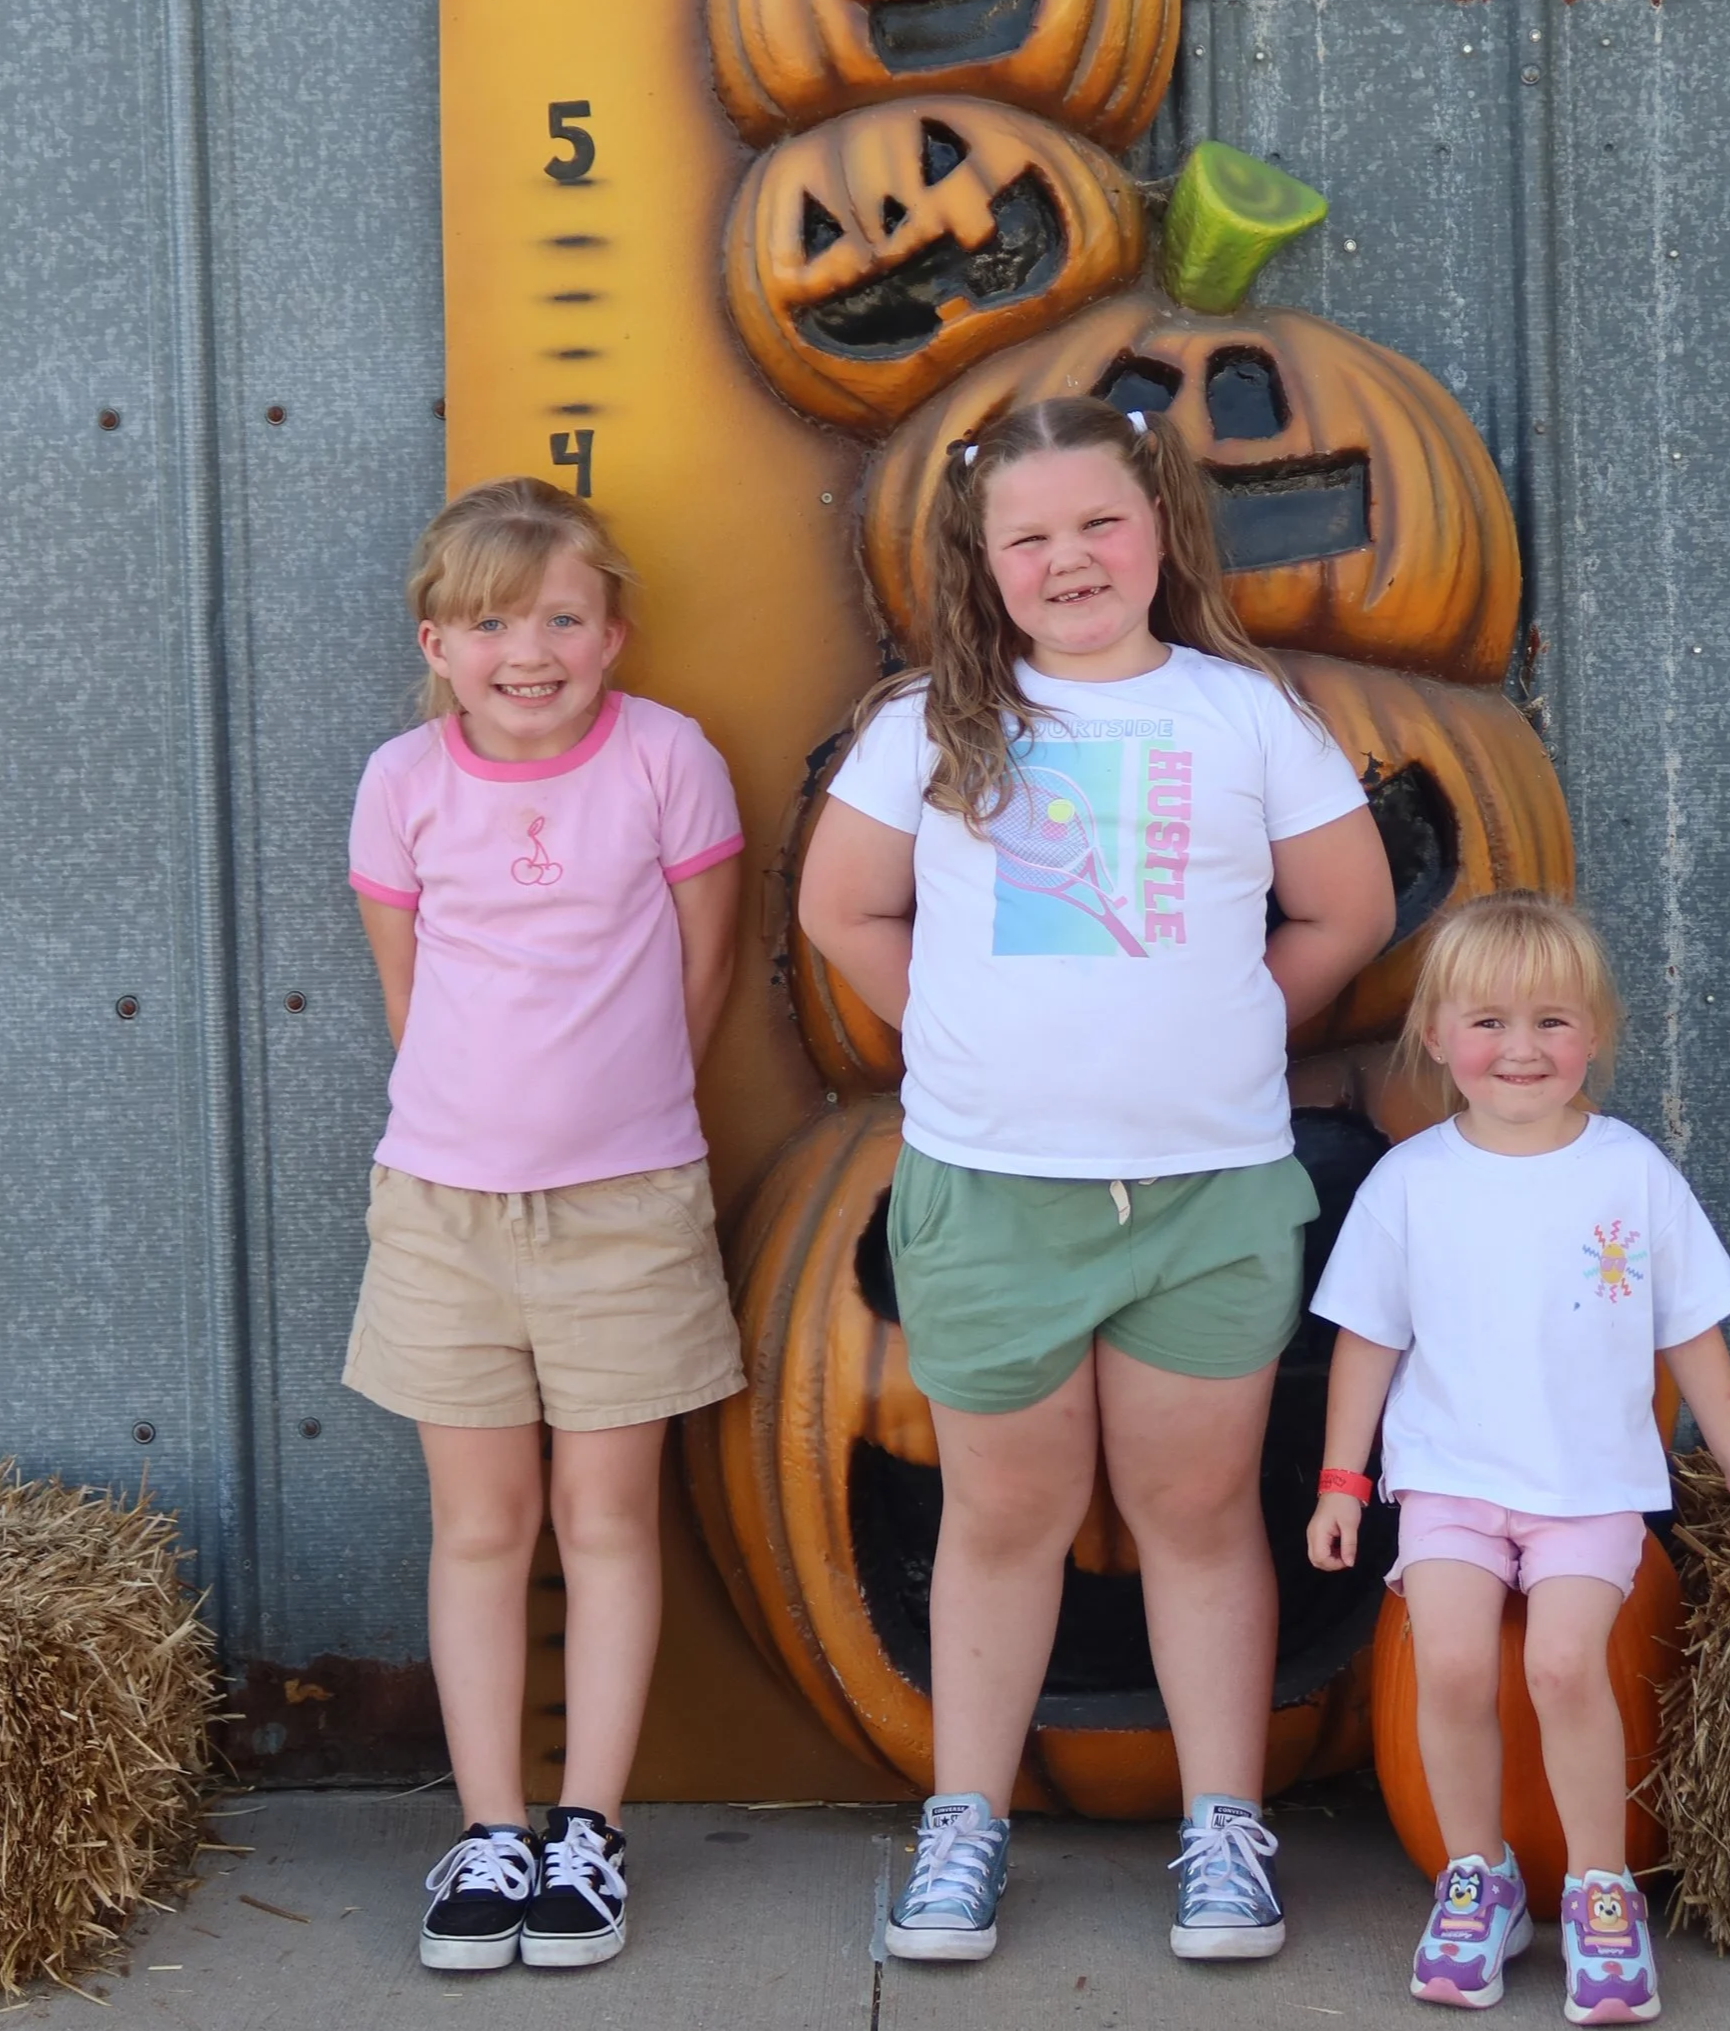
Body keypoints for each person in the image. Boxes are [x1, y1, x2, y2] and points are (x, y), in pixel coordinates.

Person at [799, 396, 1396, 1962]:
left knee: (1196, 1508)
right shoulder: (926, 722)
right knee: (1005, 1512)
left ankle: (1223, 1827)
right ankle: (964, 1820)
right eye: (1029, 536)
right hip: (996, 1192)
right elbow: (841, 907)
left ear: (1159, 532)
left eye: (1097, 523)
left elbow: (1343, 907)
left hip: (1204, 1196)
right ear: (980, 560)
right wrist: (958, 1028)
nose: (1067, 558)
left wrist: (1233, 1019)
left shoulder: (1241, 715)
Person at [344, 477, 747, 1971]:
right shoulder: (402, 781)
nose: (530, 651)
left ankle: (588, 1831)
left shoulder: (666, 758)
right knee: (481, 1525)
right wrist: (483, 1125)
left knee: (607, 1518)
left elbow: (703, 969)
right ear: (438, 645)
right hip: (444, 1210)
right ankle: (491, 1829)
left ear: (613, 635)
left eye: (564, 619)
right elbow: (407, 987)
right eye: (493, 624)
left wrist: (613, 1115)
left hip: (627, 1208)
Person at [1305, 891, 1730, 2022]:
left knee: (1565, 1666)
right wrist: (1343, 1480)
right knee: (1448, 1664)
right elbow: (1366, 1343)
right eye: (1488, 1022)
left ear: (1595, 1033)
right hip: (1449, 1482)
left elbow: (1691, 1334)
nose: (1520, 1048)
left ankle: (1598, 1888)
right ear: (1435, 1034)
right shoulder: (1410, 1182)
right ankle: (1476, 1879)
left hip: (1586, 1487)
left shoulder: (1629, 1173)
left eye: (1551, 1021)